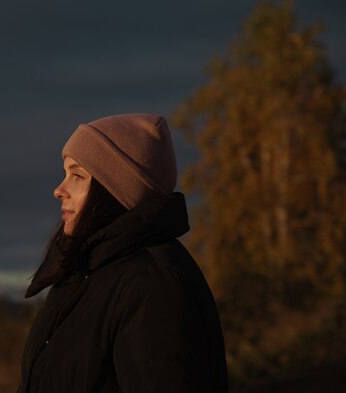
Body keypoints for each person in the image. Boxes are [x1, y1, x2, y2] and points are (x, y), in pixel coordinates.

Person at [17, 113, 228, 393]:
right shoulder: (85, 273)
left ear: (115, 191)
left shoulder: (153, 285)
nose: (59, 190)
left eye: (77, 175)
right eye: (65, 173)